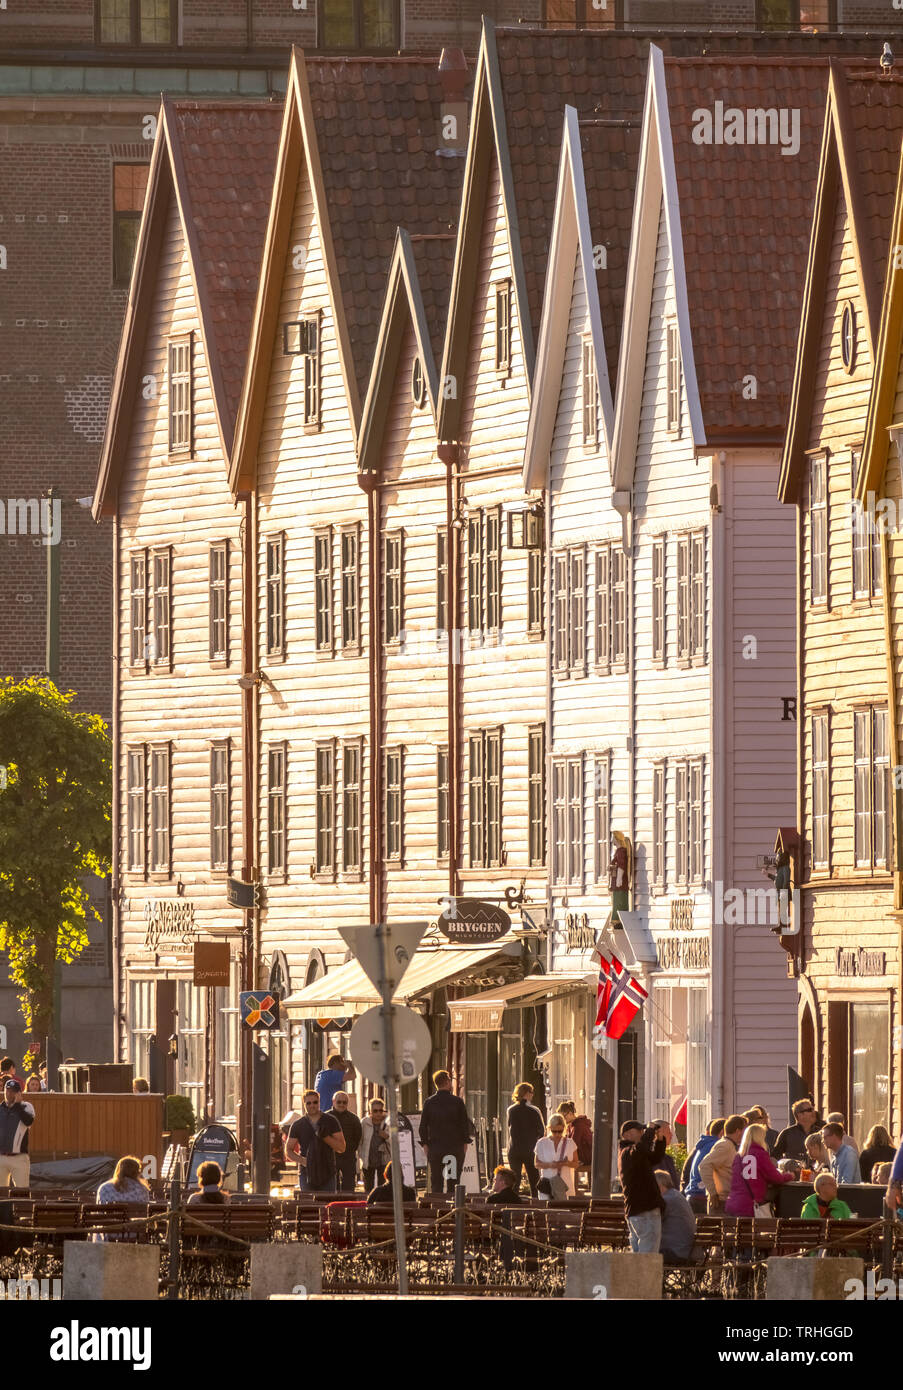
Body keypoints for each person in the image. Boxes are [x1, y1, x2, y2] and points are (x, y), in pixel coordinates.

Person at [617, 1119, 669, 1253]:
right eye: (639, 1130)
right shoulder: (627, 1152)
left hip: (638, 1212)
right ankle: (643, 1275)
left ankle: (635, 1275)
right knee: (647, 1256)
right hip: (644, 1211)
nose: (642, 1132)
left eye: (643, 1130)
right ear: (627, 1134)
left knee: (639, 1257)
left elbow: (655, 1158)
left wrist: (660, 1139)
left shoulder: (634, 1154)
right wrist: (650, 1131)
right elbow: (640, 1149)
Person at [725, 1123, 794, 1217]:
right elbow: (775, 1177)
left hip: (734, 1203)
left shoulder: (738, 1156)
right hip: (752, 1205)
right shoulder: (760, 1154)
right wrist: (789, 1175)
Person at [419, 1070, 471, 1194]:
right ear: (447, 1082)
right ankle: (452, 1208)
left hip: (436, 1149)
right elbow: (464, 1124)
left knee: (436, 1182)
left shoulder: (429, 1102)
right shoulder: (457, 1102)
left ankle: (437, 1209)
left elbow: (423, 1126)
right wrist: (465, 1142)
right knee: (452, 1181)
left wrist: (425, 1144)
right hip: (453, 1149)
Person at [286, 1089, 345, 1192]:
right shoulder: (298, 1125)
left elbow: (341, 1148)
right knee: (307, 1206)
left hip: (328, 1171)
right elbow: (288, 1150)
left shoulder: (330, 1120)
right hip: (306, 1173)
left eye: (315, 1102)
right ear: (304, 1104)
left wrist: (326, 1138)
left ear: (319, 1102)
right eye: (308, 1103)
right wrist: (303, 1161)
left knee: (327, 1206)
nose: (312, 1105)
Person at [699, 1114, 746, 1215]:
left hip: (725, 1200)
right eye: (744, 1131)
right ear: (738, 1131)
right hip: (721, 1202)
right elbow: (704, 1165)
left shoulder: (728, 1145)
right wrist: (713, 1193)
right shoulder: (725, 1146)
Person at [506, 1082, 544, 1197]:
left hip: (514, 1149)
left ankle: (512, 1204)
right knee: (534, 1179)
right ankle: (536, 1203)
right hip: (530, 1149)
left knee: (514, 1180)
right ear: (527, 1094)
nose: (533, 1095)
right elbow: (541, 1130)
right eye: (531, 1092)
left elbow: (509, 1127)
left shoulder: (511, 1110)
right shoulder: (534, 1110)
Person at [684, 1119, 724, 1214]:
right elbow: (704, 1167)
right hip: (703, 1197)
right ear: (722, 1132)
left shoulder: (704, 1145)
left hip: (693, 1196)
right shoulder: (716, 1146)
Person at [534, 1115, 579, 1201]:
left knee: (565, 1211)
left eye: (560, 1131)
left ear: (564, 1128)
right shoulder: (542, 1143)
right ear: (549, 1128)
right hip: (547, 1186)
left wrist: (566, 1163)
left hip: (565, 1186)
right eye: (554, 1131)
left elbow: (576, 1164)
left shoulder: (570, 1143)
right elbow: (536, 1164)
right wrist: (550, 1165)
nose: (557, 1134)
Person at [655, 1170, 696, 1263]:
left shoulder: (666, 1200)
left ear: (659, 1186)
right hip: (687, 1251)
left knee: (643, 1254)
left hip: (675, 1252)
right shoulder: (677, 1195)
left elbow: (653, 1222)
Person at [0, 1079, 34, 1188]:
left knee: (22, 1192)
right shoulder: (0, 1109)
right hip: (1, 1157)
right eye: (7, 1090)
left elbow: (28, 1121)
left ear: (19, 1093)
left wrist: (17, 1105)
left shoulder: (26, 1107)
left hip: (19, 1158)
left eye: (13, 1091)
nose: (9, 1094)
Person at [327, 1091, 362, 1193]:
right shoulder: (326, 1117)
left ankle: (348, 1206)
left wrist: (349, 1150)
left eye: (344, 1102)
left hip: (348, 1156)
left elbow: (357, 1137)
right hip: (330, 1157)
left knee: (349, 1185)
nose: (341, 1104)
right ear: (333, 1102)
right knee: (332, 1185)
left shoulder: (354, 1119)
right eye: (339, 1102)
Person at [359, 1097, 391, 1193]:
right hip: (368, 1159)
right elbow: (360, 1141)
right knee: (368, 1187)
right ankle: (369, 1206)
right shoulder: (364, 1122)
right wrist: (361, 1155)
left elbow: (395, 1141)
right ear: (370, 1111)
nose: (378, 1113)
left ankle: (381, 1205)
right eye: (375, 1111)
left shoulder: (388, 1123)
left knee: (383, 1187)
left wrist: (386, 1137)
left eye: (380, 1110)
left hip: (383, 1159)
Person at [773, 1098, 820, 1162]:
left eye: (813, 1109)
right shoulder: (787, 1134)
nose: (813, 1112)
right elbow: (774, 1157)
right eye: (809, 1110)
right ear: (800, 1115)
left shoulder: (820, 1132)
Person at [557, 1100, 593, 1170]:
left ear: (570, 1113)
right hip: (579, 1155)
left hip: (586, 1158)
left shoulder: (579, 1125)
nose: (563, 1120)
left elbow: (573, 1144)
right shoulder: (571, 1126)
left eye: (563, 1117)